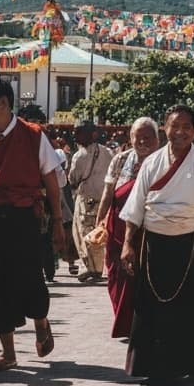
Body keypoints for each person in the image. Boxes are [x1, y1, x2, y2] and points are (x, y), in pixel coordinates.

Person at [118, 105, 194, 386]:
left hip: (191, 241)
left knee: (192, 307)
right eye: (174, 126)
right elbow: (135, 207)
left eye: (186, 127)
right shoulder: (152, 162)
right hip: (154, 242)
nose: (180, 132)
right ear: (165, 128)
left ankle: (193, 361)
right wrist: (128, 244)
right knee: (154, 308)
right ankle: (157, 368)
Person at [0, 79, 67, 372]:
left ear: (3, 103)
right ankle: (8, 353)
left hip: (24, 219)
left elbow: (52, 182)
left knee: (30, 278)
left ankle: (41, 322)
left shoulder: (33, 135)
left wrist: (58, 222)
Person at [93, 117, 160, 339]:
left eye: (147, 137)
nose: (142, 142)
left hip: (149, 226)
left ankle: (141, 323)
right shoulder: (120, 159)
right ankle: (124, 322)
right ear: (130, 138)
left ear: (157, 139)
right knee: (117, 274)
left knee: (142, 276)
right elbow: (108, 193)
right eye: (137, 137)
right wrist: (100, 221)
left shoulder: (162, 162)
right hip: (118, 225)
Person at [66, 121, 113, 283]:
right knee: (99, 233)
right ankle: (98, 268)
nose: (76, 136)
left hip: (85, 200)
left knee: (83, 234)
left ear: (92, 134)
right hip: (104, 200)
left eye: (79, 133)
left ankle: (92, 269)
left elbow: (72, 179)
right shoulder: (108, 152)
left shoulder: (79, 155)